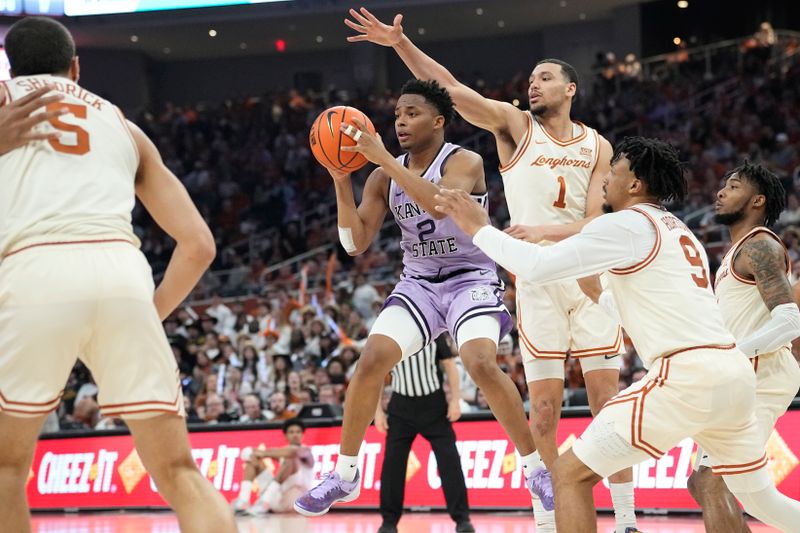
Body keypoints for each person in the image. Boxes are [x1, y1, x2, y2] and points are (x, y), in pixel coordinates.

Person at [344, 9, 634, 532]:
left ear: (571, 88)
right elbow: (449, 90)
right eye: (531, 79)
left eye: (544, 77)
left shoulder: (598, 146)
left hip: (587, 272)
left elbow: (595, 221)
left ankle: (629, 517)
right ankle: (547, 516)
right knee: (543, 410)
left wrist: (546, 232)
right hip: (537, 277)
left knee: (605, 402)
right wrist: (400, 44)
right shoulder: (515, 124)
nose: (533, 84)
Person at [434, 136, 800, 532]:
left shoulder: (627, 222)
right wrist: (601, 294)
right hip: (734, 379)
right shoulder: (680, 230)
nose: (605, 178)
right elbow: (648, 309)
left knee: (568, 474)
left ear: (635, 184)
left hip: (687, 375)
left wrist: (478, 229)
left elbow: (536, 266)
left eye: (614, 170)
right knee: (752, 495)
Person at [0, 17, 236, 533]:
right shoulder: (121, 124)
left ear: (9, 66)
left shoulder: (3, 101)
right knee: (178, 471)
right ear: (77, 68)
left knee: (5, 472)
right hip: (122, 275)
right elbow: (198, 245)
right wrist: (146, 317)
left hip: (33, 271)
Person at [294, 79, 538, 516]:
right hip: (420, 282)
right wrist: (341, 180)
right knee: (370, 361)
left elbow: (441, 205)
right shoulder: (381, 176)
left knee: (480, 361)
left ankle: (535, 467)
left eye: (412, 113)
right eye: (398, 116)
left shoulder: (465, 160)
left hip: (471, 276)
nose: (401, 122)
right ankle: (346, 475)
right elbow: (354, 243)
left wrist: (383, 160)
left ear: (439, 121)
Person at [687, 161, 800, 532]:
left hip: (760, 376)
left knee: (712, 480)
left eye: (733, 186)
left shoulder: (761, 246)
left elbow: (789, 321)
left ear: (757, 200)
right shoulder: (735, 253)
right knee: (724, 488)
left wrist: (731, 353)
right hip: (741, 377)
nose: (720, 192)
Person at [374, 336, 473, 533]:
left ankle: (462, 519)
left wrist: (455, 401)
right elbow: (377, 373)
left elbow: (450, 366)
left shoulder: (433, 334)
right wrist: (377, 411)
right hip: (400, 408)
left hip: (433, 407)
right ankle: (389, 522)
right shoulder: (390, 336)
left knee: (449, 461)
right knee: (392, 466)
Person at [231, 418, 314, 515]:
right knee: (253, 462)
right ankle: (243, 501)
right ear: (285, 436)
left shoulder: (307, 451)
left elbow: (293, 452)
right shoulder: (280, 452)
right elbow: (270, 452)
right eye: (291, 432)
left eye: (298, 432)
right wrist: (251, 453)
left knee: (290, 460)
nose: (295, 435)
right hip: (277, 499)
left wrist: (262, 453)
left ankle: (265, 501)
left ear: (302, 435)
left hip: (296, 501)